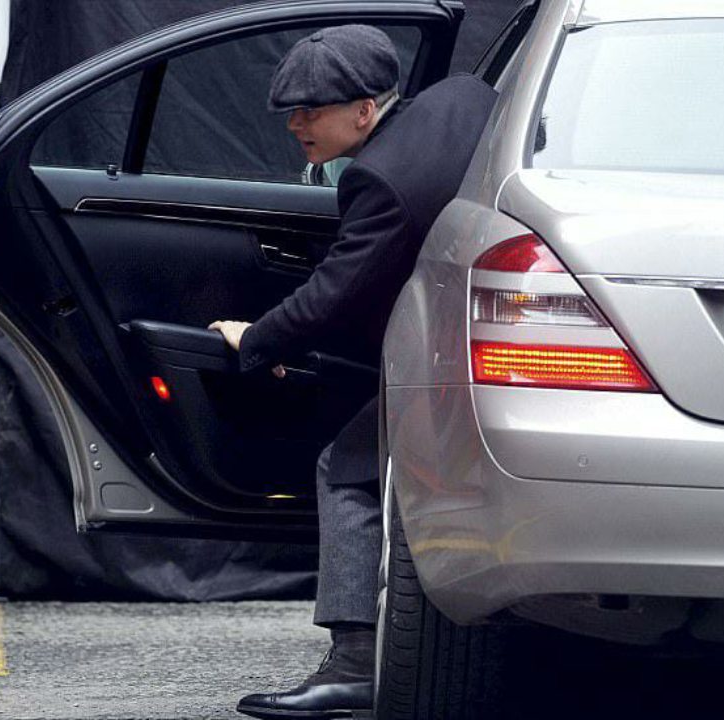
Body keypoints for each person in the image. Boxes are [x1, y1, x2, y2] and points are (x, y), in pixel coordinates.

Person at [209, 24, 497, 719]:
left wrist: (259, 339)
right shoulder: (461, 98)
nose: (296, 125)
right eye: (291, 112)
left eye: (311, 111)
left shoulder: (379, 179)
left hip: (451, 358)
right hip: (470, 343)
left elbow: (335, 293)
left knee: (346, 470)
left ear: (365, 111)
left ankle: (354, 663)